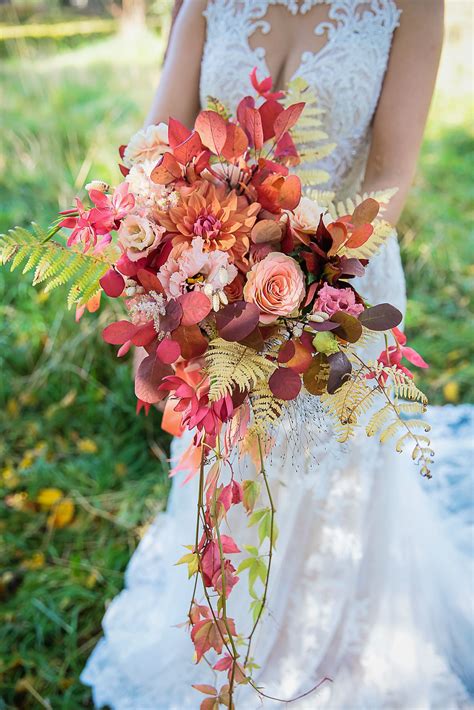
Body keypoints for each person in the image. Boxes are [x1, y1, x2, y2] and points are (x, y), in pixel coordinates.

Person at [81, 1, 474, 707]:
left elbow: (389, 172)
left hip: (342, 288)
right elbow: (160, 138)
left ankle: (326, 649)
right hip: (216, 279)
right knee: (235, 467)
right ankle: (226, 639)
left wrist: (305, 285)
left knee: (325, 475)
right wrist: (175, 251)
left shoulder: (411, 6)